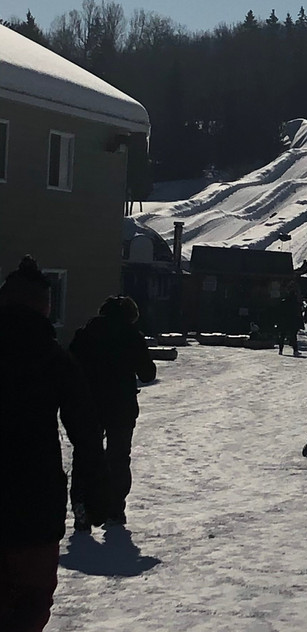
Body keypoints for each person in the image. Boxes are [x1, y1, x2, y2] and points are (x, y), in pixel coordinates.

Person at [0, 256, 107, 632]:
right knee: (31, 600)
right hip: (34, 500)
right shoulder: (54, 358)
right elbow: (87, 434)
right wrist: (92, 496)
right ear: (44, 306)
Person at [69, 296, 157, 528]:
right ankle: (114, 508)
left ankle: (81, 506)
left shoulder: (85, 334)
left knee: (85, 455)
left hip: (89, 405)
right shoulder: (131, 336)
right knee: (118, 458)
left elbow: (70, 366)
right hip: (121, 406)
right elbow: (147, 373)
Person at [276, 286, 302, 356]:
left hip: (284, 320)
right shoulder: (295, 303)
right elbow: (298, 312)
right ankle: (295, 350)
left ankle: (280, 350)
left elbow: (280, 311)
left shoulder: (284, 302)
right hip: (292, 320)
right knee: (293, 336)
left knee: (282, 335)